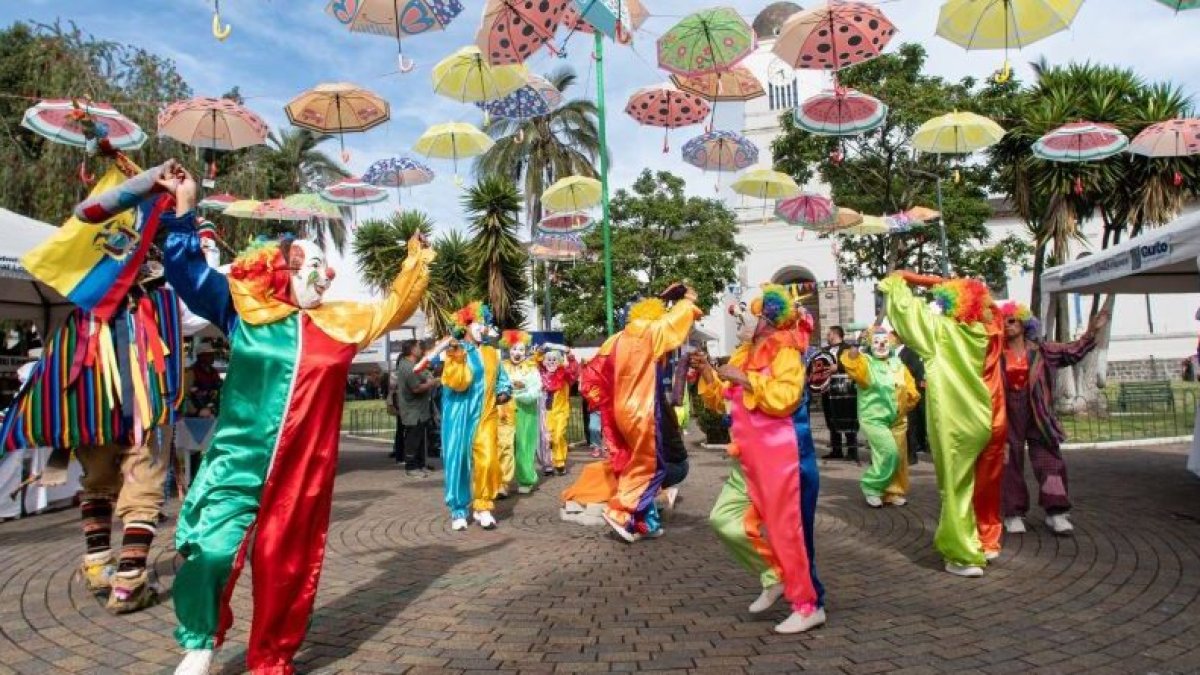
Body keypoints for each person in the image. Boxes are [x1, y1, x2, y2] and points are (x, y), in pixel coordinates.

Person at [160, 161, 434, 675]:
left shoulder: (343, 325)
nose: (325, 274)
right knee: (211, 554)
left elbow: (396, 304)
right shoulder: (243, 310)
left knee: (284, 569)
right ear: (280, 270)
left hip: (301, 474)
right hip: (236, 463)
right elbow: (188, 273)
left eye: (325, 267)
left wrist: (414, 256)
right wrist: (185, 208)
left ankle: (270, 659)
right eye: (312, 264)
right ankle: (200, 641)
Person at [698, 284, 824, 634]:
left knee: (788, 533)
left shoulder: (784, 351)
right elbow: (722, 399)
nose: (738, 318)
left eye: (745, 314)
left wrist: (747, 379)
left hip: (779, 458)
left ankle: (808, 606)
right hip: (747, 459)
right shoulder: (743, 352)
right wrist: (710, 373)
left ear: (765, 319)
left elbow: (786, 397)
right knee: (723, 520)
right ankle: (773, 577)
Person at [880, 271, 995, 578]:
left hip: (953, 420)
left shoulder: (940, 332)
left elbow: (902, 305)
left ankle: (962, 553)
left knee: (954, 489)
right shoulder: (979, 331)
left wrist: (906, 277)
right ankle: (971, 540)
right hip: (978, 417)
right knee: (966, 485)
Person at [582, 283, 700, 542]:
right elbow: (678, 321)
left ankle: (646, 522)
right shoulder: (651, 332)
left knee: (636, 465)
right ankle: (620, 512)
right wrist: (687, 297)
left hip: (623, 412)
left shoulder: (617, 339)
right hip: (644, 412)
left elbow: (591, 375)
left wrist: (602, 403)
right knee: (652, 466)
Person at [999, 301, 1107, 535]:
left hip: (1038, 412)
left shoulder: (1043, 351)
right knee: (1008, 462)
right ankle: (1013, 513)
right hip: (1008, 414)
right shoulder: (995, 356)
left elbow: (1072, 351)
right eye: (1003, 322)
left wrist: (1092, 330)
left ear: (1024, 323)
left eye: (1012, 320)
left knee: (1049, 461)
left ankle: (1056, 511)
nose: (1006, 326)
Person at [438, 302, 512, 532]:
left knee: (488, 458)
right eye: (478, 323)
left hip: (486, 413)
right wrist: (457, 355)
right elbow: (457, 383)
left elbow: (502, 378)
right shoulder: (456, 350)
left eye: (485, 323)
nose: (483, 327)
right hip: (458, 414)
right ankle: (459, 509)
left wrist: (504, 392)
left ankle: (483, 506)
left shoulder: (491, 353)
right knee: (458, 460)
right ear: (466, 326)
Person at [840, 328, 920, 508]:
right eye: (876, 341)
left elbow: (910, 388)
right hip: (874, 418)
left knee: (898, 457)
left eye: (884, 340)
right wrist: (855, 345)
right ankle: (872, 487)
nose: (882, 344)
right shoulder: (866, 363)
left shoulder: (897, 364)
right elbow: (852, 365)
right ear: (870, 344)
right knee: (888, 452)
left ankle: (893, 491)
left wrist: (908, 402)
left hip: (898, 419)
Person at [498, 330, 543, 495]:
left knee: (524, 445)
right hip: (504, 411)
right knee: (504, 446)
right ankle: (502, 482)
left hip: (525, 411)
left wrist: (518, 392)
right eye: (514, 349)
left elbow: (536, 390)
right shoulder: (502, 366)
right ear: (508, 349)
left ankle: (526, 479)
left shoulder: (531, 367)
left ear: (526, 351)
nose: (517, 353)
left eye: (521, 350)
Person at [394, 340, 437, 477]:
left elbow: (425, 375)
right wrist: (431, 383)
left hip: (419, 410)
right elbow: (416, 388)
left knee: (419, 439)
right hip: (413, 411)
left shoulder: (414, 365)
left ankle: (419, 464)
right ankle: (411, 467)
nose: (421, 349)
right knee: (413, 439)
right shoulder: (408, 367)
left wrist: (429, 379)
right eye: (419, 347)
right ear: (412, 350)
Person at [819, 326, 860, 462]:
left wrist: (839, 367)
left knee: (847, 417)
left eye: (828, 333)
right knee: (831, 418)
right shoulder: (824, 350)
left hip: (845, 389)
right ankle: (836, 450)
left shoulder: (848, 348)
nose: (827, 336)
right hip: (827, 388)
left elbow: (854, 363)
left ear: (835, 334)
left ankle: (852, 450)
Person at [540, 344, 579, 475]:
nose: (551, 362)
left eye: (554, 360)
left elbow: (574, 369)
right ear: (544, 362)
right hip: (547, 412)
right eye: (548, 360)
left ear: (559, 362)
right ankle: (549, 464)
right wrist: (542, 349)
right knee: (547, 439)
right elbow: (533, 360)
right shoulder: (541, 374)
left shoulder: (565, 374)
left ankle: (560, 462)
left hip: (561, 411)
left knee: (558, 435)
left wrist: (569, 353)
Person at [896, 337, 928, 464]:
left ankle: (911, 455)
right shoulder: (893, 353)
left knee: (910, 425)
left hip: (910, 392)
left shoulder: (910, 352)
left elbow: (915, 369)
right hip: (897, 393)